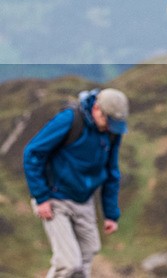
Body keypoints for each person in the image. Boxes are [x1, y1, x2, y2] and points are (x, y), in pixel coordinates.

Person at [23, 88, 129, 278]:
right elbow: (32, 152)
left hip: (83, 199)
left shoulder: (112, 132)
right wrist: (41, 197)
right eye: (108, 122)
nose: (109, 128)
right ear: (97, 108)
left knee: (89, 251)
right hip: (55, 197)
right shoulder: (70, 120)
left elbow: (112, 171)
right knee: (68, 263)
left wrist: (111, 214)